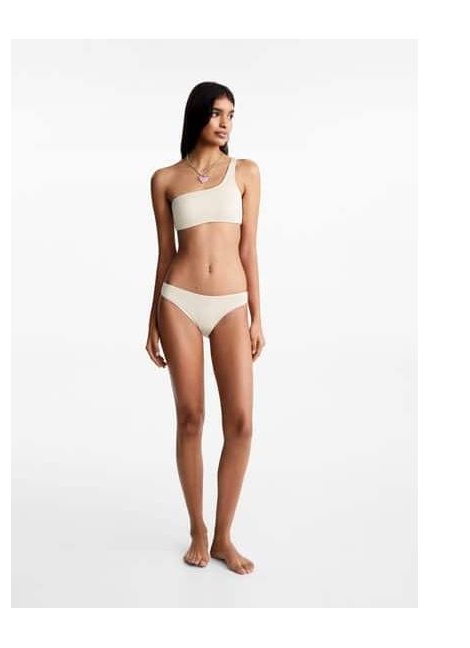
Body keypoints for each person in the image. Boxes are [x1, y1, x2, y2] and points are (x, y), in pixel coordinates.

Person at [145, 82, 265, 575]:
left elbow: (248, 249)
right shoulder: (165, 179)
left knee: (241, 423)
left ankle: (223, 537)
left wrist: (257, 315)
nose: (225, 123)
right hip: (179, 301)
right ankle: (197, 528)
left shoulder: (246, 172)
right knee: (191, 418)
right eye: (217, 113)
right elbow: (165, 254)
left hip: (232, 303)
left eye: (231, 115)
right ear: (197, 115)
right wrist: (151, 320)